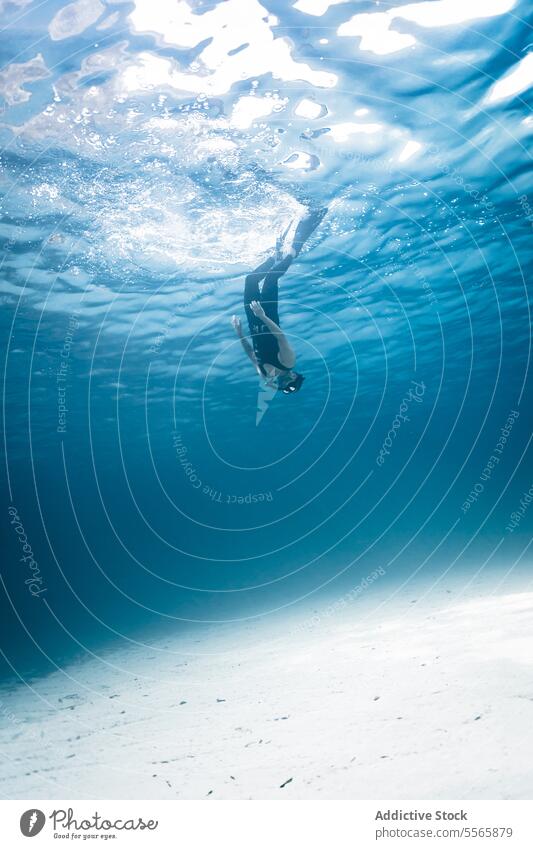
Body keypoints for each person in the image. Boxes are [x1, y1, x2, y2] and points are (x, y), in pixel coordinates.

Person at [231, 208, 326, 394]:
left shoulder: (265, 376)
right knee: (270, 280)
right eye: (291, 380)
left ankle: (273, 257)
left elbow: (251, 354)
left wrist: (239, 332)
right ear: (295, 376)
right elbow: (280, 336)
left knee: (250, 280)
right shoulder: (288, 362)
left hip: (253, 319)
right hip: (267, 314)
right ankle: (291, 253)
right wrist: (263, 315)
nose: (286, 380)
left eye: (284, 385)